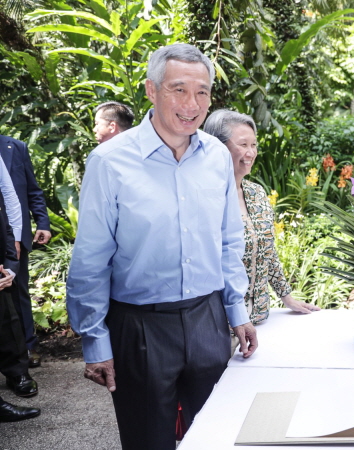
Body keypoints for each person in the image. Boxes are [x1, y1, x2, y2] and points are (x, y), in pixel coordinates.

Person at [66, 43, 258, 450]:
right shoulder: (110, 161)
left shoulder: (217, 159)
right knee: (148, 441)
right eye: (179, 89)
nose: (192, 104)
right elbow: (91, 258)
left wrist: (236, 311)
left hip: (207, 320)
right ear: (152, 91)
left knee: (215, 437)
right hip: (139, 328)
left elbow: (228, 240)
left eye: (203, 91)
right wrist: (95, 341)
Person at [203, 109, 319, 321]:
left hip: (259, 318)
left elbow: (267, 251)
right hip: (218, 323)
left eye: (254, 145)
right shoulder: (204, 199)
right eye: (243, 144)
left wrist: (287, 298)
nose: (251, 153)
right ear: (217, 147)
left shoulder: (256, 193)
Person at [0, 134, 50, 369]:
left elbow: (32, 189)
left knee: (19, 292)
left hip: (14, 234)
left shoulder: (15, 147)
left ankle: (28, 346)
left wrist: (42, 223)